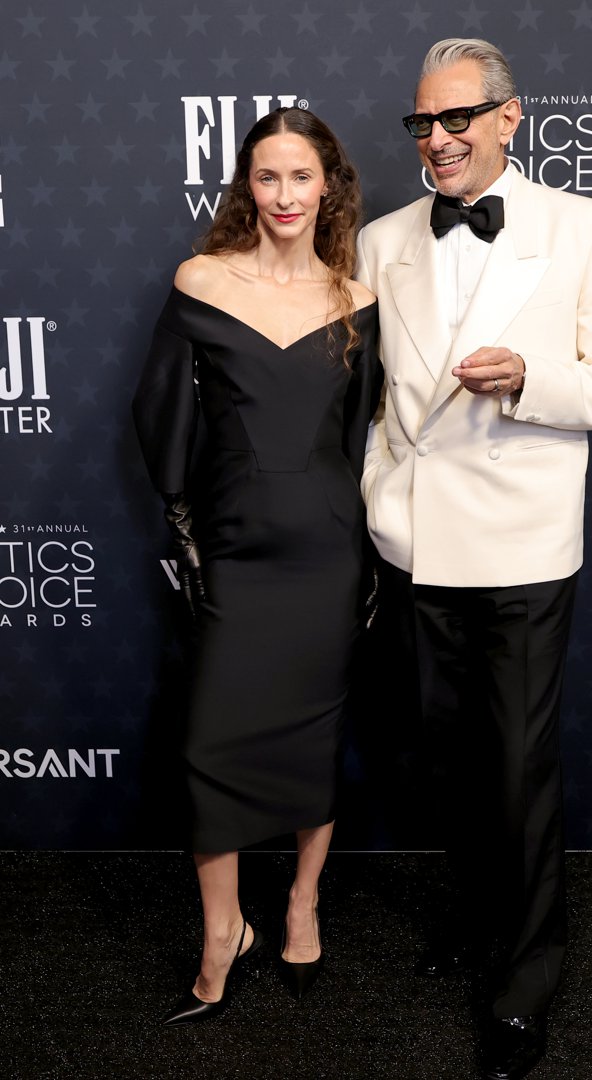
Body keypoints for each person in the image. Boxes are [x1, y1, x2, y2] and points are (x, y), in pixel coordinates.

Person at [356, 38, 592, 1080]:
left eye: (457, 121)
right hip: (416, 538)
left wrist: (529, 377)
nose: (436, 141)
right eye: (422, 125)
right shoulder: (385, 237)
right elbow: (373, 399)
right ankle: (483, 922)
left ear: (511, 118)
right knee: (447, 766)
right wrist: (376, 497)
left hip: (522, 542)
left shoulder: (584, 226)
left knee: (519, 772)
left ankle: (524, 985)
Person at [132, 106, 381, 1025]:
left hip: (325, 548)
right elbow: (160, 414)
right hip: (237, 546)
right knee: (211, 744)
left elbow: (365, 438)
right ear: (248, 184)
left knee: (315, 739)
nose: (283, 195)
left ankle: (302, 906)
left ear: (328, 188)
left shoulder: (357, 299)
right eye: (267, 177)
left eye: (301, 178)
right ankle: (221, 931)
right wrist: (189, 517)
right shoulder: (201, 280)